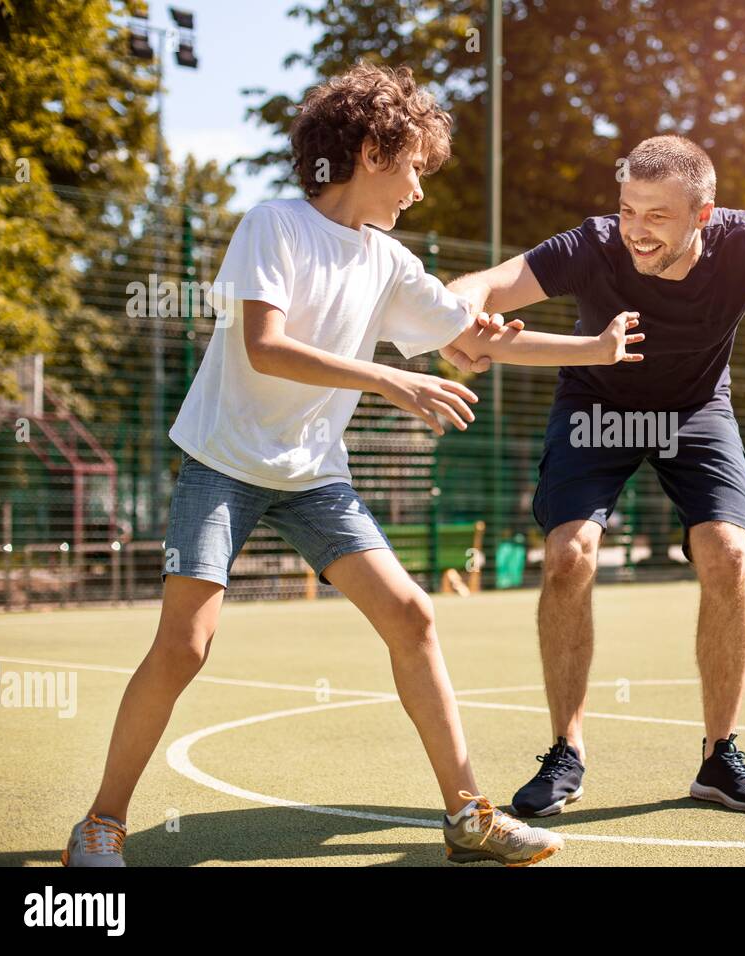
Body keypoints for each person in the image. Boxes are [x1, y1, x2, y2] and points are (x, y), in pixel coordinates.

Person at [61, 62, 644, 868]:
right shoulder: (272, 225)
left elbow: (473, 339)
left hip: (314, 477)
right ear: (372, 150)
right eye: (412, 167)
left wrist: (595, 348)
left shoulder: (389, 263)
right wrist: (388, 376)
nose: (419, 189)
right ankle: (102, 822)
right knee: (186, 645)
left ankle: (468, 816)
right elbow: (263, 347)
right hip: (224, 465)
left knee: (413, 615)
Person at [443, 135, 745, 817]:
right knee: (567, 556)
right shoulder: (591, 247)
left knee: (729, 552)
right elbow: (483, 284)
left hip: (695, 409)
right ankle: (565, 750)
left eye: (658, 216)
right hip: (597, 401)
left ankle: (719, 757)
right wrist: (458, 312)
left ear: (702, 217)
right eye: (628, 210)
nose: (636, 231)